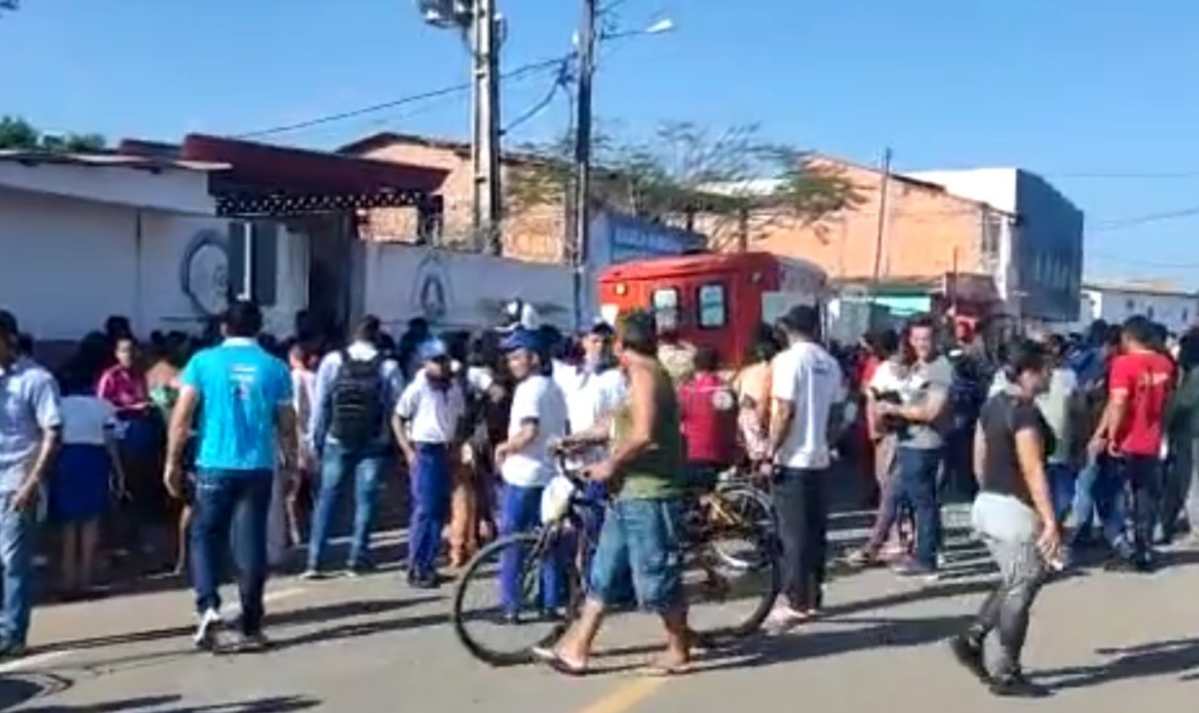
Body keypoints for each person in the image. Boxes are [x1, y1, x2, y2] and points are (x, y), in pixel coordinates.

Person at [535, 310, 690, 676]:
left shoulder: (646, 374)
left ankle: (678, 648)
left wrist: (610, 465)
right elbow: (613, 424)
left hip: (648, 493)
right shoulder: (633, 376)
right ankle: (577, 648)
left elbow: (644, 434)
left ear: (621, 344)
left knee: (655, 576)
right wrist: (575, 440)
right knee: (603, 573)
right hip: (625, 494)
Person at [164, 301, 298, 652]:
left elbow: (182, 417)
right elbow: (287, 425)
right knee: (251, 542)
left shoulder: (203, 363)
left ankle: (208, 606)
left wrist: (172, 463)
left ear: (224, 327)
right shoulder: (275, 368)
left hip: (214, 463)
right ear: (259, 327)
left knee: (204, 535)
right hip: (258, 466)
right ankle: (251, 624)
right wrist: (292, 465)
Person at [949, 339, 1060, 698]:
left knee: (1016, 578)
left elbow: (979, 452)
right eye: (1046, 369)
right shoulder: (1024, 413)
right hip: (1013, 508)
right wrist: (1050, 520)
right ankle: (1007, 670)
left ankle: (974, 637)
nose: (1051, 375)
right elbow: (1033, 468)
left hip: (989, 503)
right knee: (1023, 586)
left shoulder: (994, 404)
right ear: (1028, 373)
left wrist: (987, 491)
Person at [761, 306, 846, 630]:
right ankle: (813, 595)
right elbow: (839, 411)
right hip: (820, 458)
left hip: (793, 458)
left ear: (789, 329)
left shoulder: (787, 361)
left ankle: (795, 600)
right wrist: (827, 441)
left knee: (792, 534)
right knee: (815, 532)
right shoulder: (830, 362)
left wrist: (771, 450)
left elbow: (784, 409)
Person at [305, 316, 403, 579]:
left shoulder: (333, 361)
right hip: (373, 441)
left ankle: (315, 560)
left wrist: (315, 439)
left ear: (354, 335)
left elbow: (320, 404)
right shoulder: (388, 366)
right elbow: (398, 407)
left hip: (337, 439)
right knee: (366, 500)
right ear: (377, 336)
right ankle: (357, 559)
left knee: (327, 498)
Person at [1089, 316, 1175, 571]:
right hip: (1151, 441)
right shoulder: (1165, 364)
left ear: (1128, 338)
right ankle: (1143, 550)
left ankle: (1122, 547)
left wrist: (1110, 436)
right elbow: (1167, 403)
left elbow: (1118, 403)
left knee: (1109, 494)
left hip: (1126, 441)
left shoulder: (1123, 364)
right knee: (1144, 498)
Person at [493, 329, 569, 617]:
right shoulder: (554, 387)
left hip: (524, 477)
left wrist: (504, 448)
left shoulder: (529, 390)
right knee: (548, 540)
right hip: (549, 475)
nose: (512, 363)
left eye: (516, 356)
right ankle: (550, 601)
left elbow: (529, 431)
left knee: (512, 541)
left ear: (534, 358)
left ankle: (511, 604)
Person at [871, 315, 954, 578]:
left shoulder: (939, 369)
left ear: (936, 339)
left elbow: (931, 411)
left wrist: (894, 408)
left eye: (926, 339)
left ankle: (925, 557)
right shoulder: (918, 365)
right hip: (910, 440)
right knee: (911, 498)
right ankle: (925, 550)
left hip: (924, 444)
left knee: (922, 503)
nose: (921, 344)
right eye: (916, 338)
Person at [0, 310, 62, 658]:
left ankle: (12, 632)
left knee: (12, 561)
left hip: (16, 482)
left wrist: (32, 482)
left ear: (8, 338)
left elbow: (52, 433)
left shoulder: (36, 380)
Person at [393, 338, 466, 588]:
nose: (441, 366)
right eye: (436, 361)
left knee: (437, 511)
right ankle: (416, 566)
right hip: (425, 449)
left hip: (444, 450)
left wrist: (456, 447)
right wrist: (407, 450)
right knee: (425, 510)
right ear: (425, 363)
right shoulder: (418, 387)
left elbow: (458, 419)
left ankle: (429, 563)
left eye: (443, 360)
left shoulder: (453, 387)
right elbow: (398, 418)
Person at [49, 372, 127, 599]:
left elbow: (52, 437)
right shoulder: (103, 406)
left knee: (67, 523)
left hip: (67, 458)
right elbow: (112, 440)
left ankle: (67, 579)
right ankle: (86, 579)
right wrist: (119, 474)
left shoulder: (59, 405)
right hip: (95, 458)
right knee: (90, 521)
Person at [679, 346, 737, 490]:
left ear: (694, 365)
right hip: (724, 453)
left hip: (695, 454)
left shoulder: (688, 391)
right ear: (717, 364)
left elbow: (676, 419)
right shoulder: (726, 389)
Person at [1037, 334, 1081, 520]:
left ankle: (1054, 530)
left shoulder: (1069, 377)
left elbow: (1078, 412)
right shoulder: (1032, 376)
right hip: (1038, 446)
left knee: (1062, 499)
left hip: (1062, 446)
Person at [1164, 329, 1199, 544]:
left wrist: (1163, 423)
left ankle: (1195, 526)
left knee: (1189, 481)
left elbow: (1181, 404)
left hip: (1191, 434)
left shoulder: (1195, 376)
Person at [733, 326, 778, 464]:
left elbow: (736, 391)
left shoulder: (748, 372)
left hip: (753, 419)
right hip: (765, 420)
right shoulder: (777, 367)